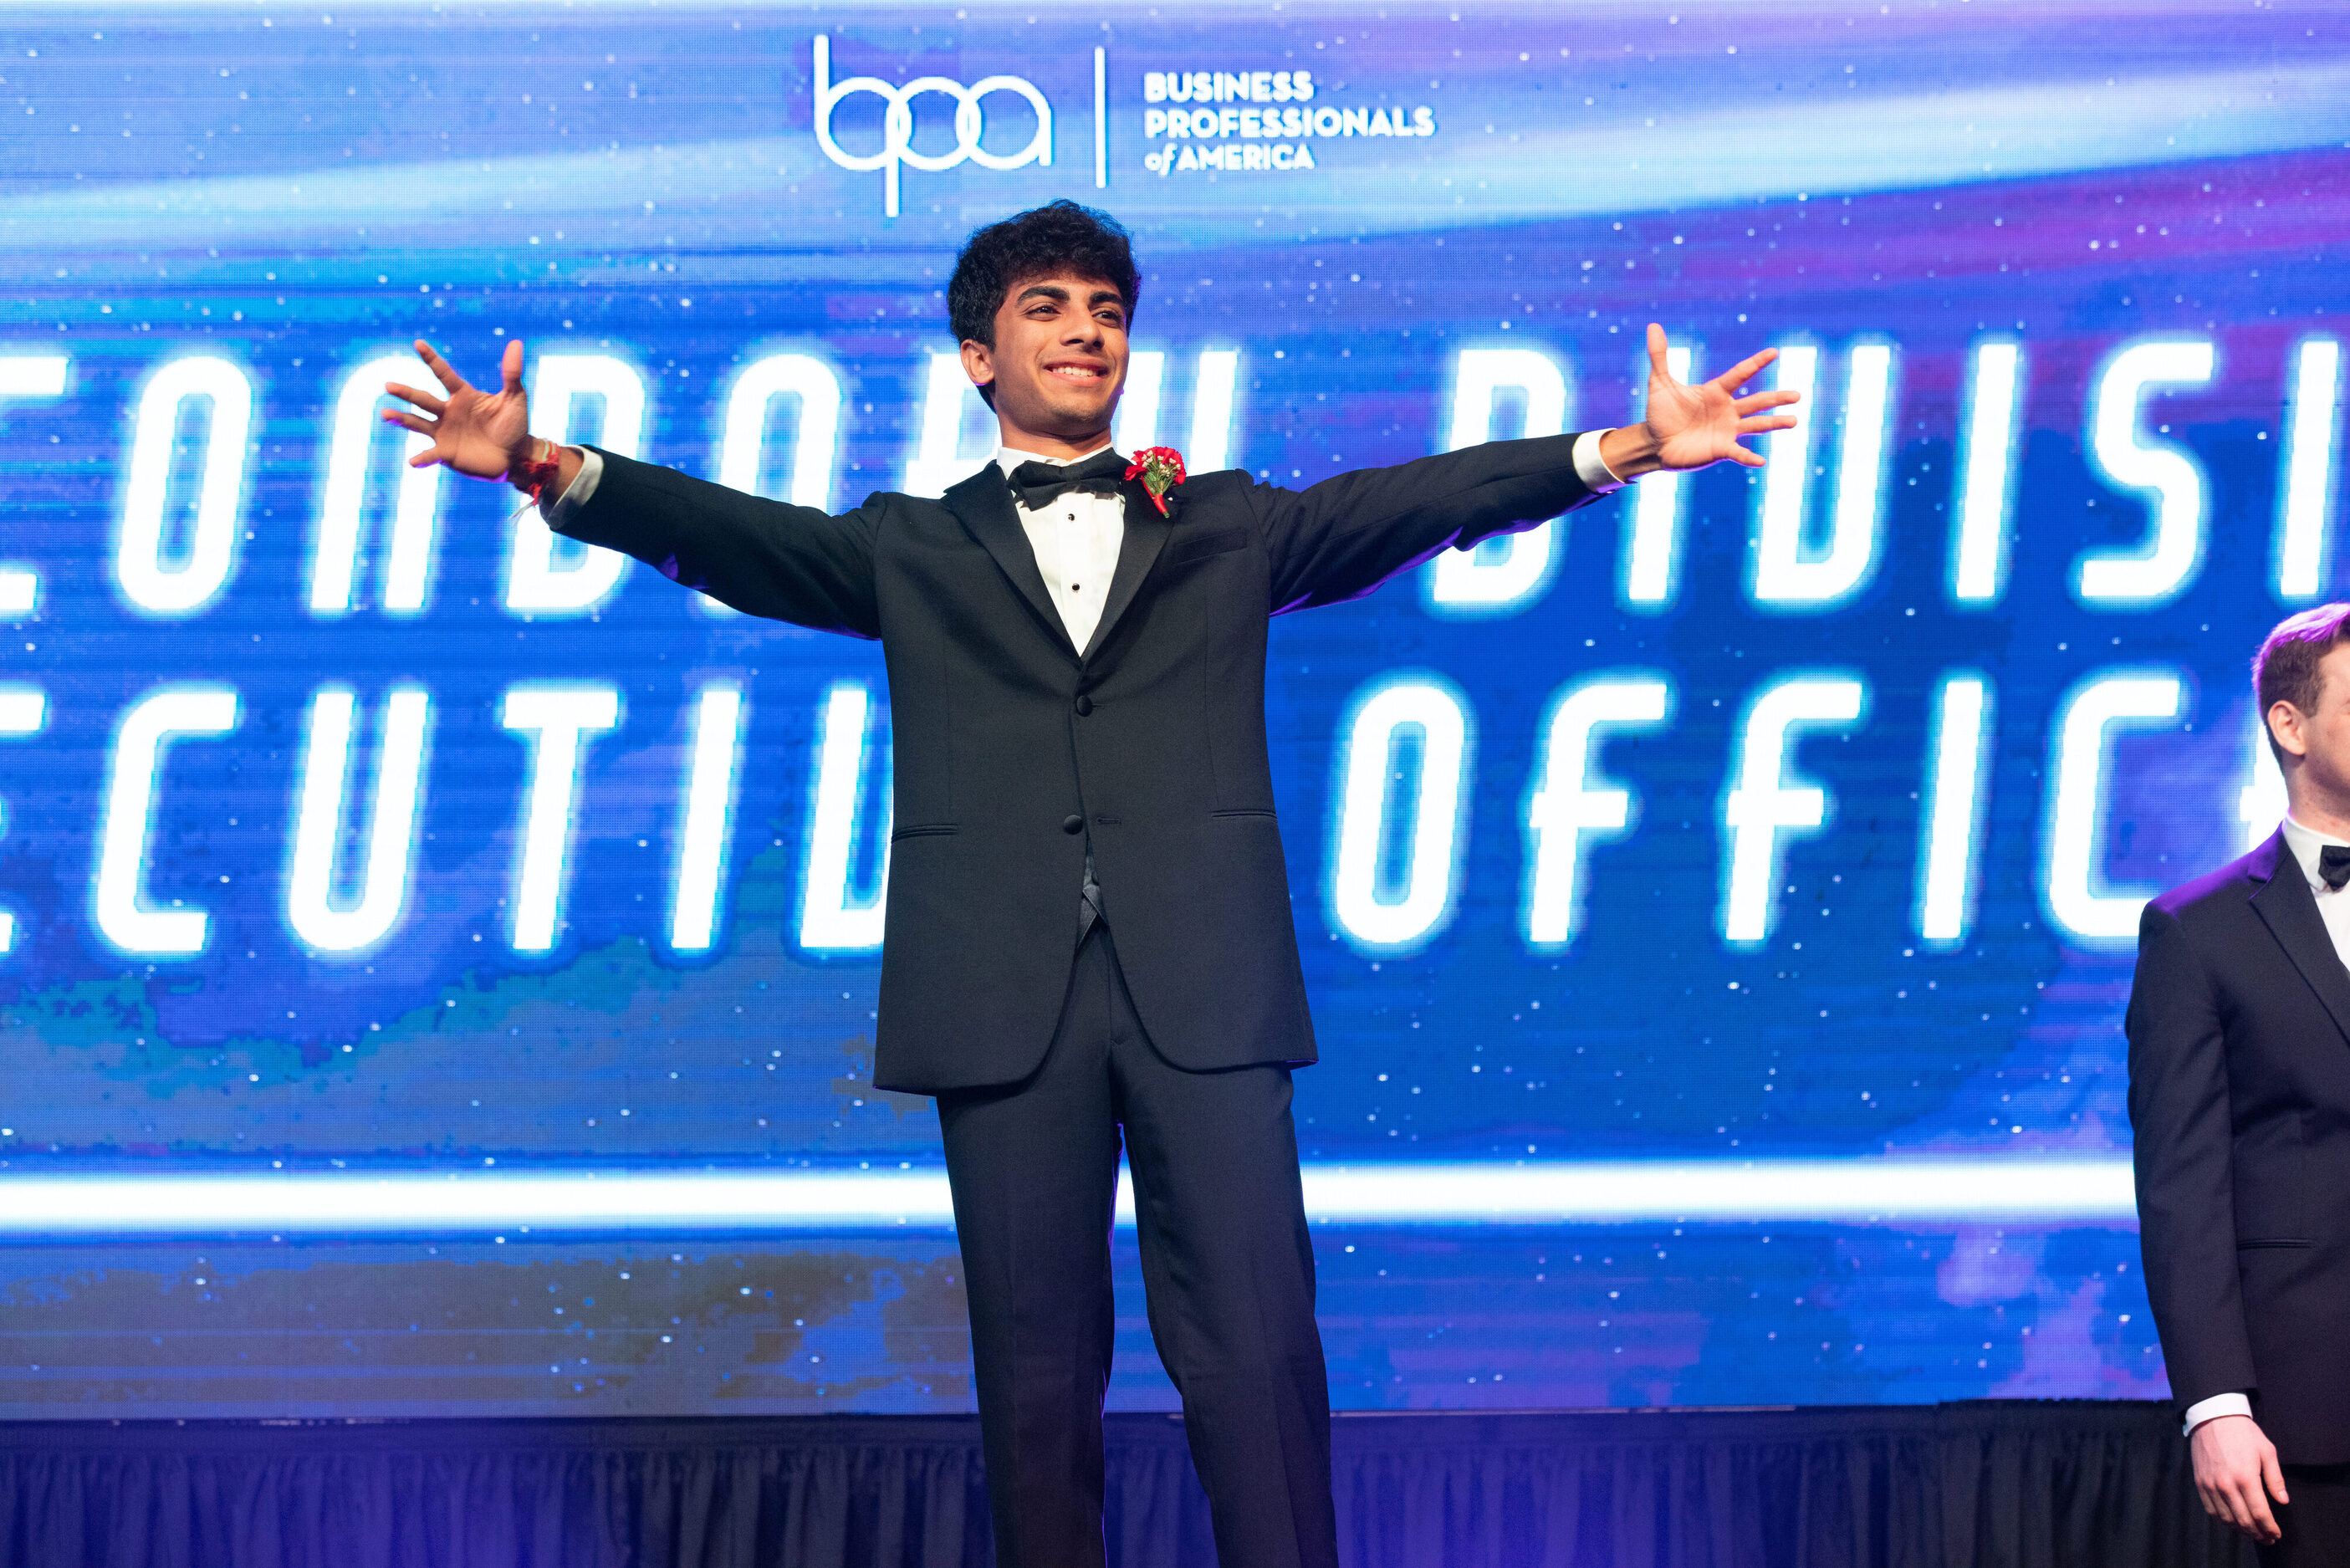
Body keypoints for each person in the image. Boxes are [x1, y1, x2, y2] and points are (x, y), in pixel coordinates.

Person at [385, 200, 1799, 1568]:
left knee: (1260, 1352)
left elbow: (1411, 502)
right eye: (1046, 308)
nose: (1084, 331)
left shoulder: (1225, 523)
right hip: (1000, 999)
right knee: (1035, 1373)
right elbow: (740, 539)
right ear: (978, 357)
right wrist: (544, 465)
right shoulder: (912, 544)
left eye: (1107, 311)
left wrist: (1622, 449)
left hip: (1207, 988)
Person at [2129, 603, 2350, 1565]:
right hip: (2317, 1405)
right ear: (2288, 726)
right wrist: (2213, 1402)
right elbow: (2181, 1191)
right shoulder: (2197, 933)